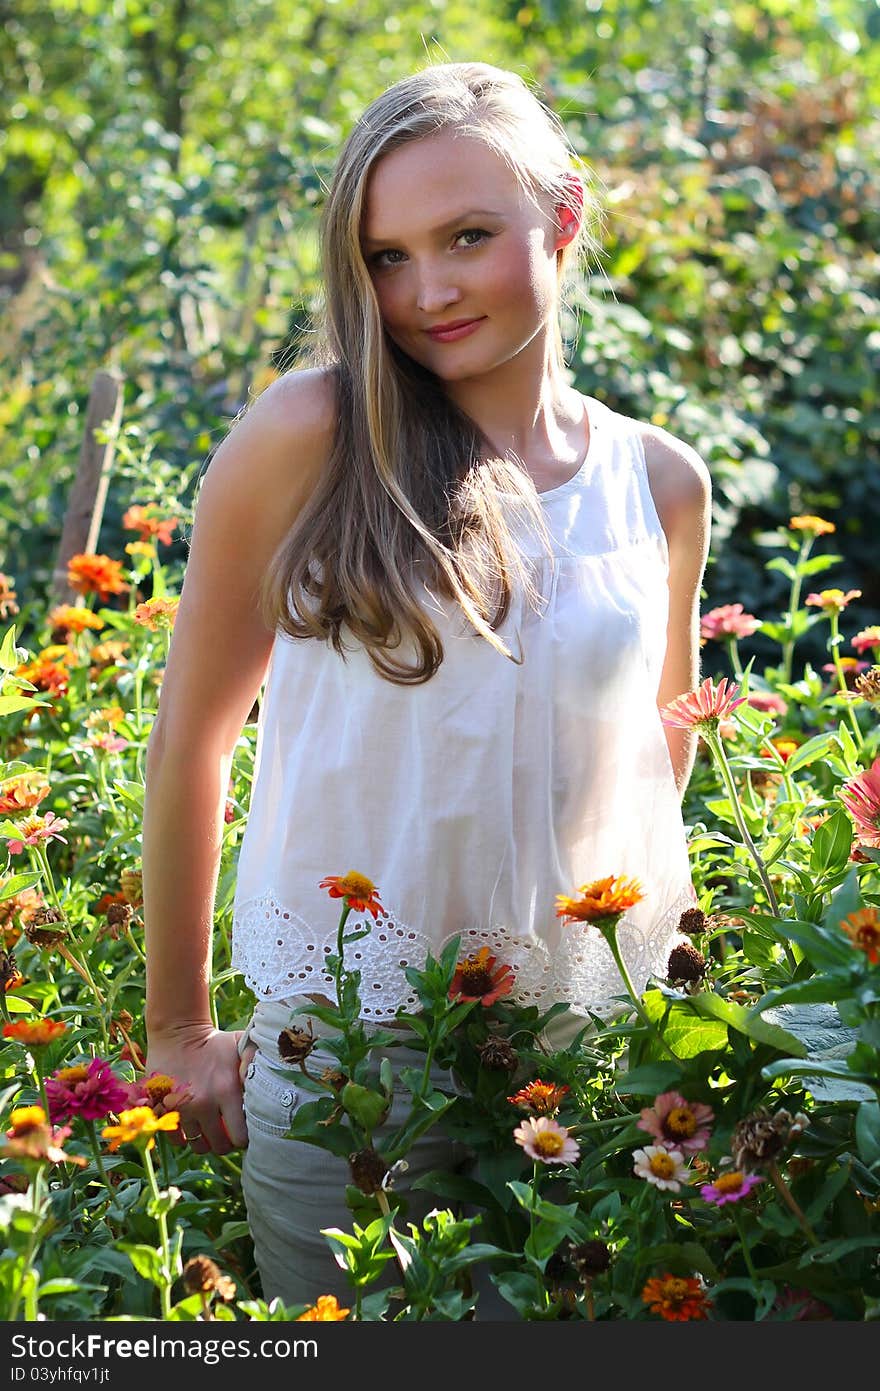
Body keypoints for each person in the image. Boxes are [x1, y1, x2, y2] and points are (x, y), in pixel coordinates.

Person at [142, 60, 711, 1312]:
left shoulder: (658, 484)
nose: (428, 291)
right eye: (386, 257)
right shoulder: (312, 435)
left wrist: (653, 1018)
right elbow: (192, 741)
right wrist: (177, 1028)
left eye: (465, 237)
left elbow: (651, 769)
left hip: (573, 1054)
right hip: (345, 1045)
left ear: (562, 219)